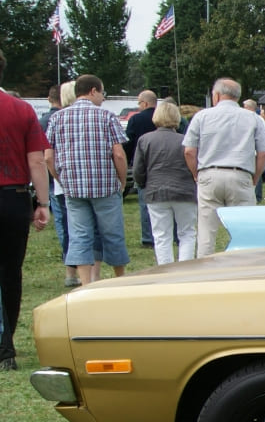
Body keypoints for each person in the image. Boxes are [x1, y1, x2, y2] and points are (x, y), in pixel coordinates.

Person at [47, 74, 128, 286]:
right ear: (93, 91)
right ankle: (121, 278)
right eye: (102, 93)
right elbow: (118, 153)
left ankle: (85, 284)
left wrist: (60, 179)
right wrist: (122, 181)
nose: (103, 97)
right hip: (104, 186)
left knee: (79, 236)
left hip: (73, 188)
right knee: (112, 233)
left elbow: (48, 156)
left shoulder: (57, 118)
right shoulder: (107, 116)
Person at [0, 51, 52, 370]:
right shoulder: (21, 109)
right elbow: (37, 159)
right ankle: (7, 347)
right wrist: (43, 203)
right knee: (9, 271)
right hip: (13, 197)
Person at [182, 77, 265, 257]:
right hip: (241, 173)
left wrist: (196, 174)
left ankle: (204, 272)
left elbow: (189, 151)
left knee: (206, 232)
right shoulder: (253, 118)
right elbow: (263, 153)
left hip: (209, 173)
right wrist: (254, 178)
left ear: (217, 95)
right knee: (246, 230)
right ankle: (244, 268)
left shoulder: (202, 116)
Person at [133, 99, 197, 264]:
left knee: (161, 235)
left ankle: (165, 269)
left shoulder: (145, 140)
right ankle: (185, 268)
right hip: (185, 191)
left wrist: (142, 184)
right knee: (187, 232)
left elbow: (138, 169)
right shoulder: (186, 140)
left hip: (156, 191)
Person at [40, 83, 73, 284]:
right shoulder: (62, 119)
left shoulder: (43, 120)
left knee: (62, 222)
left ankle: (68, 259)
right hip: (68, 174)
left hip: (52, 176)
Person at [124, 89, 159, 245]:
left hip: (142, 164)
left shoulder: (136, 120)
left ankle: (147, 237)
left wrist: (129, 161)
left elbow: (129, 142)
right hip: (162, 164)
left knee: (145, 202)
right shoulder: (163, 118)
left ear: (144, 103)